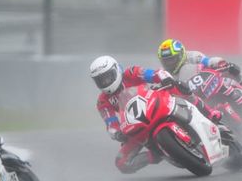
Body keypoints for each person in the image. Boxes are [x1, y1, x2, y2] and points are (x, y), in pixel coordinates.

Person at [90, 55, 222, 174]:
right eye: (100, 80)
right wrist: (117, 133)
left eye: (108, 77)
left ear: (116, 70)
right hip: (136, 124)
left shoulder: (130, 73)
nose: (105, 82)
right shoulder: (102, 101)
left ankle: (210, 113)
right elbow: (110, 123)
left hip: (155, 102)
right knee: (122, 163)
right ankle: (157, 154)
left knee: (181, 88)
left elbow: (152, 74)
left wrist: (164, 77)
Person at [156, 38, 242, 108]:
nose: (170, 64)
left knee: (232, 72)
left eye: (172, 59)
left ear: (181, 55)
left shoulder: (192, 56)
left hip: (207, 85)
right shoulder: (163, 73)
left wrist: (221, 63)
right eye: (166, 61)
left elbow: (208, 61)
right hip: (191, 100)